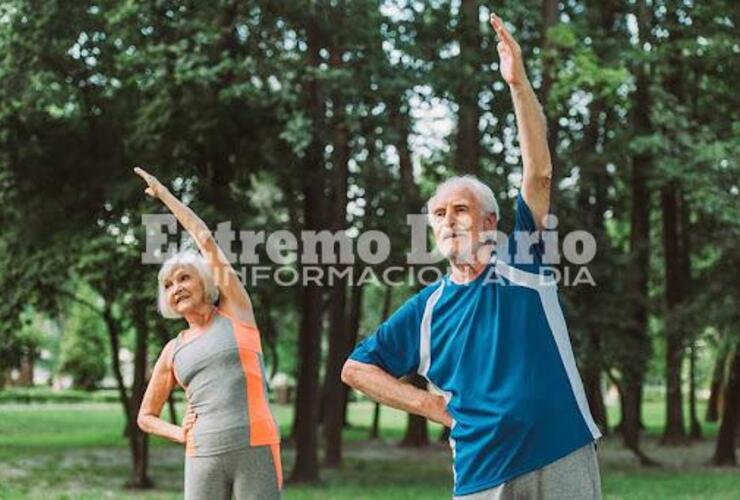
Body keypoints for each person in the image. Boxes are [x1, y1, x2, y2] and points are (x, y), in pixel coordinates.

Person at [342, 12, 602, 500]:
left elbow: (539, 173)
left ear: (490, 223)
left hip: (561, 448)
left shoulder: (524, 261)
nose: (447, 220)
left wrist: (518, 83)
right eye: (438, 213)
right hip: (482, 472)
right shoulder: (427, 310)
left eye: (460, 208)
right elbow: (355, 369)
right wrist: (429, 406)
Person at [134, 167, 282, 500]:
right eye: (168, 285)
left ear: (205, 282)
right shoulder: (174, 350)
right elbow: (145, 416)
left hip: (255, 446)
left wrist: (164, 196)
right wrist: (179, 433)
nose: (176, 288)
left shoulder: (237, 314)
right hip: (202, 455)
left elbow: (204, 238)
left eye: (184, 278)